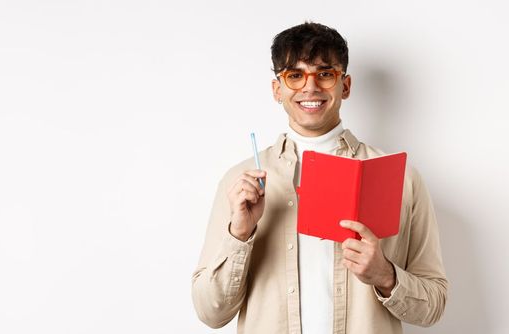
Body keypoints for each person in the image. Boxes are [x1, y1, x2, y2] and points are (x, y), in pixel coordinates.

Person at [191, 22, 448, 334]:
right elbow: (210, 312)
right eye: (294, 75)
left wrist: (386, 276)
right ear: (277, 89)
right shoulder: (241, 183)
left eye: (325, 74)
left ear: (346, 85)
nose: (309, 87)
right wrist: (239, 233)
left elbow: (434, 305)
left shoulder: (400, 178)